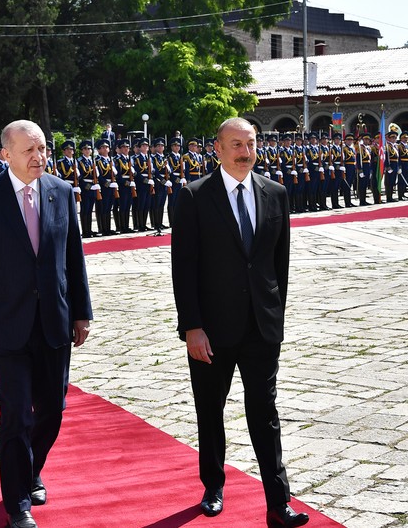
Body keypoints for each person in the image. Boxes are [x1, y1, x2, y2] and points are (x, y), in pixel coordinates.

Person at [0, 120, 92, 528]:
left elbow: (73, 256)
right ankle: (17, 503)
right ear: (6, 154)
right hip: (5, 324)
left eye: (43, 149)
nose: (39, 157)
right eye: (29, 150)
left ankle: (30, 470)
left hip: (54, 321)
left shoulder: (61, 192)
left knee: (52, 409)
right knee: (16, 414)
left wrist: (81, 311)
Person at [171, 117, 308, 528]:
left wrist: (276, 316)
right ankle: (213, 485)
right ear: (217, 148)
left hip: (261, 328)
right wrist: (191, 326)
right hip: (211, 332)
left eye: (250, 143)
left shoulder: (275, 193)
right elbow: (184, 268)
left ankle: (277, 502)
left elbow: (277, 264)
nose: (245, 152)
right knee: (210, 410)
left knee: (264, 411)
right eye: (235, 144)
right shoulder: (194, 197)